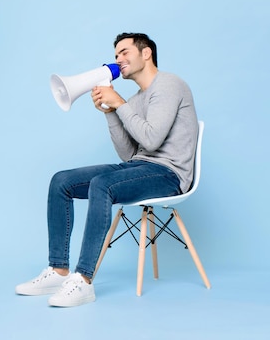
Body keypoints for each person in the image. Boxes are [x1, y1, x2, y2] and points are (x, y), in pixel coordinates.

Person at [16, 32, 198, 307]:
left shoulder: (169, 85)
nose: (118, 59)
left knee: (102, 184)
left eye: (124, 52)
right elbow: (129, 155)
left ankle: (83, 281)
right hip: (141, 168)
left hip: (169, 175)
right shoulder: (137, 98)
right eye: (115, 55)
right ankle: (58, 270)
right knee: (61, 181)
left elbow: (151, 139)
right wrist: (110, 112)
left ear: (146, 53)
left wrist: (120, 104)